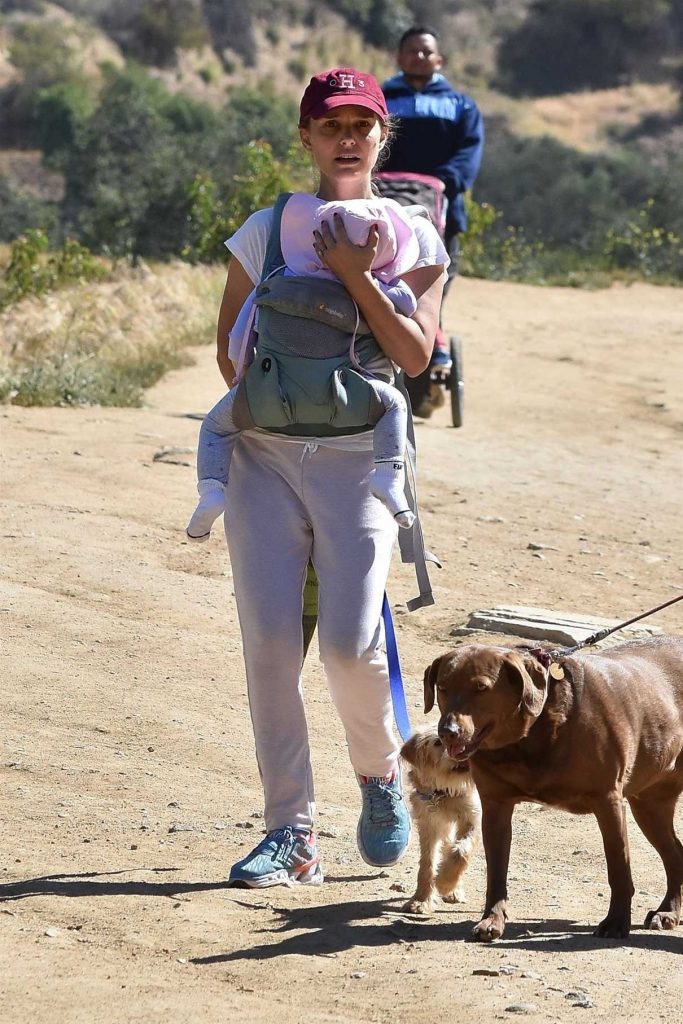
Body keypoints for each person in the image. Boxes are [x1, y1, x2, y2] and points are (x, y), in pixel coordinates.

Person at [213, 67, 447, 888]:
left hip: (359, 461)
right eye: (329, 124)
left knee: (351, 647)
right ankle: (291, 832)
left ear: (384, 137)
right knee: (271, 648)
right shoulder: (266, 226)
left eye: (362, 124)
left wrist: (351, 276)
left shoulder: (413, 234)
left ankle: (380, 780)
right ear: (305, 136)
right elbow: (228, 350)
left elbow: (417, 357)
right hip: (264, 456)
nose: (346, 137)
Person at [185, 193, 425, 543]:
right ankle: (389, 476)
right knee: (396, 404)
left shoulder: (282, 268)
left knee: (215, 428)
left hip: (270, 401)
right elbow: (410, 329)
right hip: (349, 400)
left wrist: (257, 397)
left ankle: (211, 490)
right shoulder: (382, 282)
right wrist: (362, 278)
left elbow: (234, 344)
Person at [381, 26, 483, 403]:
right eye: (412, 51)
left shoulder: (461, 106)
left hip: (442, 216)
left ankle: (425, 366)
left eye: (426, 52)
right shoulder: (381, 99)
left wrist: (443, 181)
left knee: (428, 290)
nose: (419, 57)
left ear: (438, 60)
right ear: (399, 56)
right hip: (384, 211)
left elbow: (468, 154)